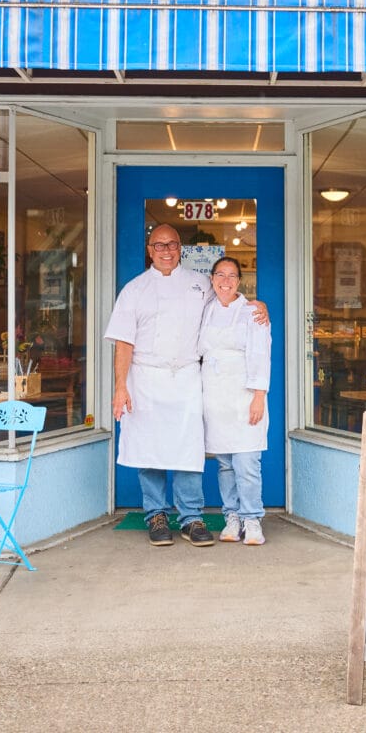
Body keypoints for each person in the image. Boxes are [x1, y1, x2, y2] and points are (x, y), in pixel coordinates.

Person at [105, 223, 218, 548]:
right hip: (145, 379)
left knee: (188, 450)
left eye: (172, 244)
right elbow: (124, 343)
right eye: (159, 245)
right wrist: (120, 387)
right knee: (149, 450)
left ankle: (192, 517)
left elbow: (227, 304)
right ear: (149, 250)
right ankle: (155, 515)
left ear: (180, 248)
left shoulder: (200, 284)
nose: (166, 250)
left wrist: (258, 307)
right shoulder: (134, 290)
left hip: (185, 377)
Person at [199, 256, 272, 546]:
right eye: (220, 275)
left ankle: (252, 518)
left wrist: (258, 397)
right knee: (225, 463)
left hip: (244, 393)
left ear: (239, 281)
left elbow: (260, 355)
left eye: (232, 276)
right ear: (212, 279)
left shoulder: (252, 311)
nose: (225, 281)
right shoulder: (205, 310)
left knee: (247, 461)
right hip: (214, 395)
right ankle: (232, 516)